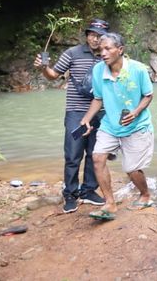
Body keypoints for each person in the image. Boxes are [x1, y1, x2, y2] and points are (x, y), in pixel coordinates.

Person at [33, 18, 110, 213]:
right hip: (76, 111)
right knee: (73, 154)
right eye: (92, 34)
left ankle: (88, 190)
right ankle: (70, 193)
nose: (95, 39)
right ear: (86, 36)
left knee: (96, 154)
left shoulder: (108, 55)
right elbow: (53, 75)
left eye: (100, 36)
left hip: (101, 112)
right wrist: (43, 67)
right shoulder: (72, 53)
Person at [80, 32, 155, 220]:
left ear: (120, 50)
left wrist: (135, 112)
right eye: (100, 49)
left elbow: (148, 95)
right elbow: (98, 98)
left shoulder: (138, 69)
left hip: (137, 125)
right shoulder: (98, 70)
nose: (102, 53)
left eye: (108, 49)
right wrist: (87, 118)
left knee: (132, 169)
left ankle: (145, 195)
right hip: (110, 124)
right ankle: (110, 204)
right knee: (97, 158)